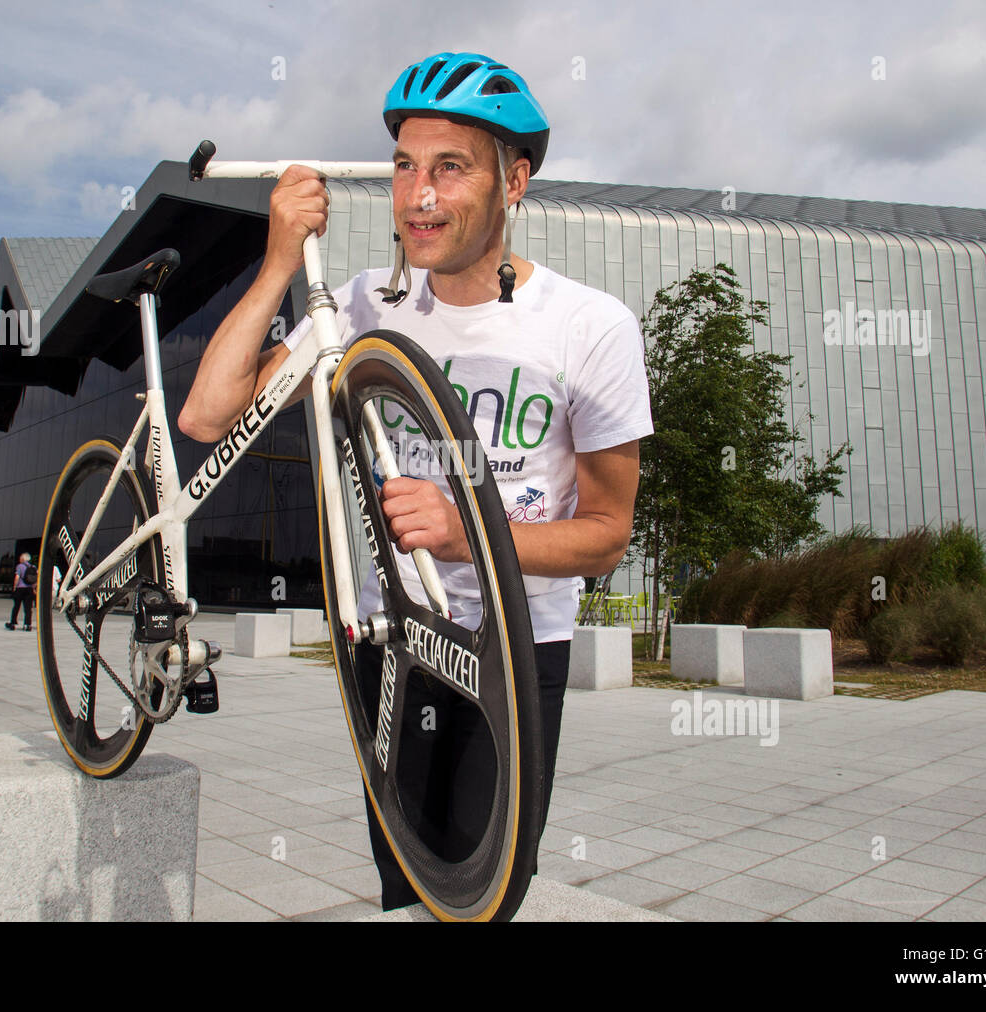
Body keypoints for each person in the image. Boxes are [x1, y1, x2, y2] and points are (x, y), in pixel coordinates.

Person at [178, 51, 653, 910]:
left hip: (510, 647)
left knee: (487, 893)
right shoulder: (363, 305)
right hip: (390, 640)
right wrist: (280, 260)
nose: (419, 195)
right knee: (406, 884)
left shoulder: (590, 327)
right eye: (404, 166)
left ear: (514, 181)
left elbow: (607, 537)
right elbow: (209, 418)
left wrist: (466, 529)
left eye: (450, 168)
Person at [6, 552, 34, 631]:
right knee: (28, 608)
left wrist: (14, 587)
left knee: (16, 606)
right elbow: (36, 579)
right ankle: (27, 625)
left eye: (20, 557)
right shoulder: (33, 567)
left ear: (23, 559)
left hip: (20, 589)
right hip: (29, 589)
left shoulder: (20, 566)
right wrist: (33, 587)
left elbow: (17, 577)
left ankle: (13, 623)